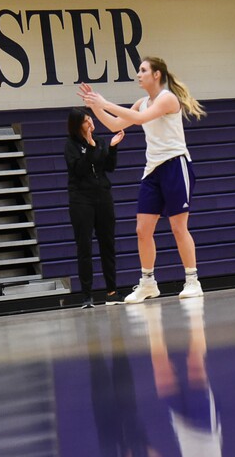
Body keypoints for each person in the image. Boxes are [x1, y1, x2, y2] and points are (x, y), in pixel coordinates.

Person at [79, 56, 206, 303]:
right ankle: (148, 283)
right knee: (142, 230)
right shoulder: (142, 102)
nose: (139, 74)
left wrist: (105, 101)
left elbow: (138, 120)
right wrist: (95, 106)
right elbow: (116, 124)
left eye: (143, 70)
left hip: (175, 164)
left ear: (156, 74)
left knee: (178, 227)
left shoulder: (167, 98)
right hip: (153, 170)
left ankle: (192, 280)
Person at [64, 107, 125, 308]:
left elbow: (109, 167)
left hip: (103, 197)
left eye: (90, 118)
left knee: (108, 244)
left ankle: (112, 291)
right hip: (81, 199)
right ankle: (87, 295)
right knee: (85, 246)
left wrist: (113, 147)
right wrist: (89, 147)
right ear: (77, 125)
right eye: (85, 120)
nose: (90, 122)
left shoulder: (99, 141)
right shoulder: (71, 145)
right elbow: (80, 170)